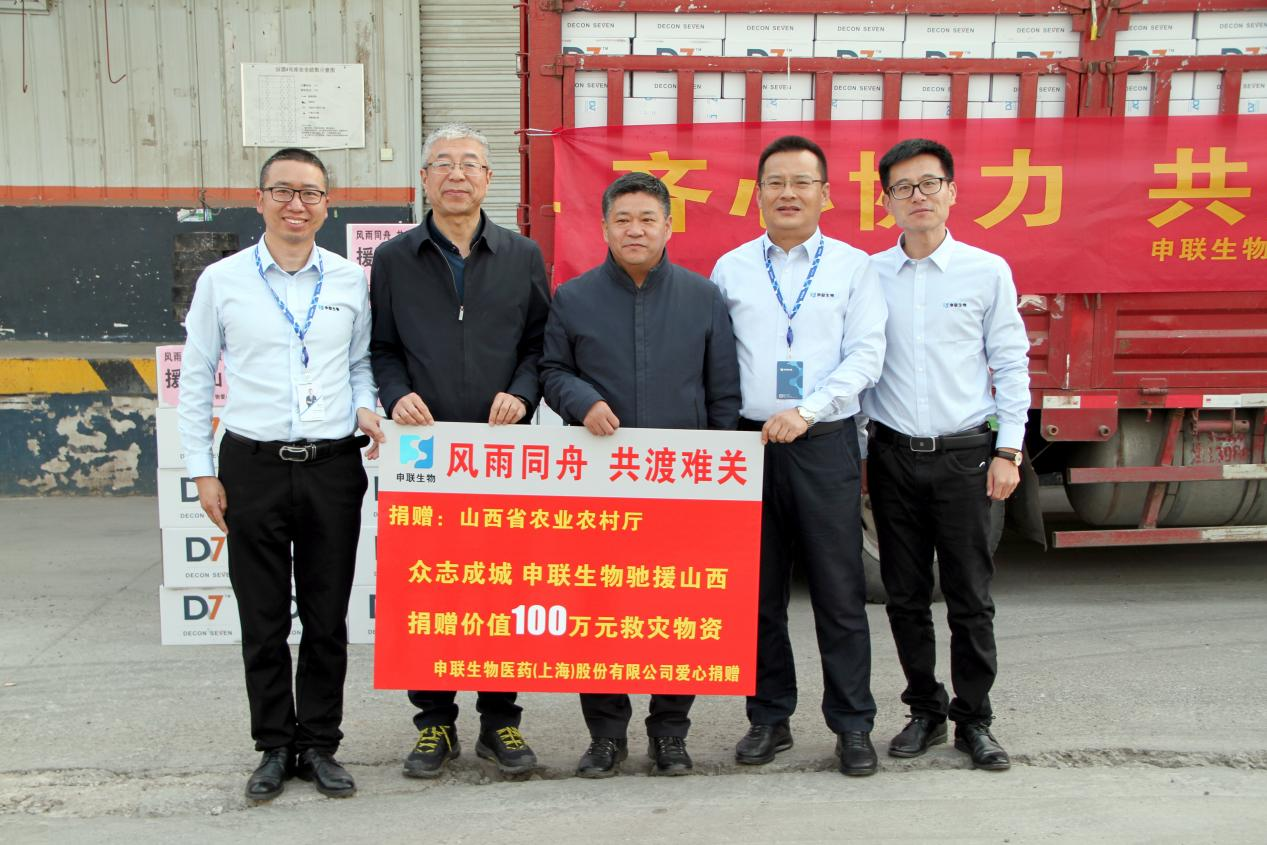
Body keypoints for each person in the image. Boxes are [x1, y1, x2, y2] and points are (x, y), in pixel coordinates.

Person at [178, 147, 385, 801]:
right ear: (260, 198)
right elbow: (196, 377)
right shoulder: (222, 280)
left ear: (328, 204)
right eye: (284, 191)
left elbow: (360, 363)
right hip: (253, 465)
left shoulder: (349, 280)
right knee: (263, 618)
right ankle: (273, 745)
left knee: (326, 617)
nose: (297, 204)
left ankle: (319, 744)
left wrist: (367, 405)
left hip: (332, 466)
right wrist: (201, 471)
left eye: (311, 193)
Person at [540, 172, 741, 777]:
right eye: (623, 219)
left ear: (668, 226)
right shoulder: (573, 298)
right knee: (600, 610)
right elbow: (552, 371)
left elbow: (723, 394)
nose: (635, 230)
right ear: (604, 227)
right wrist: (582, 402)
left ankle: (670, 733)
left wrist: (717, 480)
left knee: (676, 609)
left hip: (683, 485)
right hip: (600, 482)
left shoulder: (703, 297)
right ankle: (606, 735)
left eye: (647, 219)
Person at [370, 123, 550, 779]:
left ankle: (500, 719)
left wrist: (522, 394)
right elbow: (382, 347)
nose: (456, 173)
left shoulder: (521, 255)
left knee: (501, 586)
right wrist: (396, 395)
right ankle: (434, 721)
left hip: (501, 454)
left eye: (469, 163)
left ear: (488, 179)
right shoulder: (394, 259)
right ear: (423, 179)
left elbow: (540, 344)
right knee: (428, 586)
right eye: (442, 163)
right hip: (424, 454)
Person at [710, 136, 887, 776]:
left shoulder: (853, 267)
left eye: (802, 182)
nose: (788, 193)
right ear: (757, 194)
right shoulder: (730, 269)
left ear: (826, 194)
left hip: (822, 444)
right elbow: (713, 359)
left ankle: (853, 724)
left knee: (840, 593)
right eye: (775, 182)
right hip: (749, 445)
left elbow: (866, 356)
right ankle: (769, 718)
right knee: (758, 596)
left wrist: (806, 411)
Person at [862, 137, 1030, 771]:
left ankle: (974, 720)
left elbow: (1010, 364)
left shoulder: (986, 271)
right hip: (892, 455)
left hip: (965, 456)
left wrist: (1009, 449)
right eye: (903, 187)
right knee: (904, 595)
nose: (918, 196)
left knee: (969, 598)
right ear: (886, 201)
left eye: (930, 183)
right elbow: (857, 364)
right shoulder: (869, 275)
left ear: (952, 192)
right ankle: (925, 712)